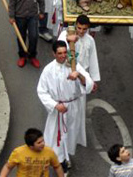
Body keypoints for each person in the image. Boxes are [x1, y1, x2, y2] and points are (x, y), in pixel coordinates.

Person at [37, 40, 94, 174]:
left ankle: (66, 157)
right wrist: (55, 105)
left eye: (64, 53)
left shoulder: (74, 65)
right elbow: (41, 91)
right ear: (54, 54)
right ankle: (61, 163)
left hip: (73, 108)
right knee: (56, 138)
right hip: (58, 110)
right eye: (59, 53)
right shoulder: (48, 70)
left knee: (70, 135)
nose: (63, 56)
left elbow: (89, 82)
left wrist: (79, 75)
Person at [8, 0, 45, 68]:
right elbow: (12, 2)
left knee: (34, 36)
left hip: (33, 15)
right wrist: (11, 16)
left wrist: (42, 11)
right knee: (21, 36)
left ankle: (32, 56)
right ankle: (22, 56)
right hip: (20, 16)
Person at [0, 127, 64, 177]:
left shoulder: (49, 152)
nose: (43, 144)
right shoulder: (18, 152)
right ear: (31, 146)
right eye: (39, 143)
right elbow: (8, 167)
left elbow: (57, 166)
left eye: (43, 141)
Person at [58, 14, 100, 87]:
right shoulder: (65, 34)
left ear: (88, 28)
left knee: (81, 96)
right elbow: (58, 48)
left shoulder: (90, 40)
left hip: (83, 73)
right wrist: (67, 40)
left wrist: (93, 80)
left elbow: (93, 59)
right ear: (75, 25)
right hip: (68, 71)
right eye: (79, 28)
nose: (81, 31)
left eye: (84, 29)